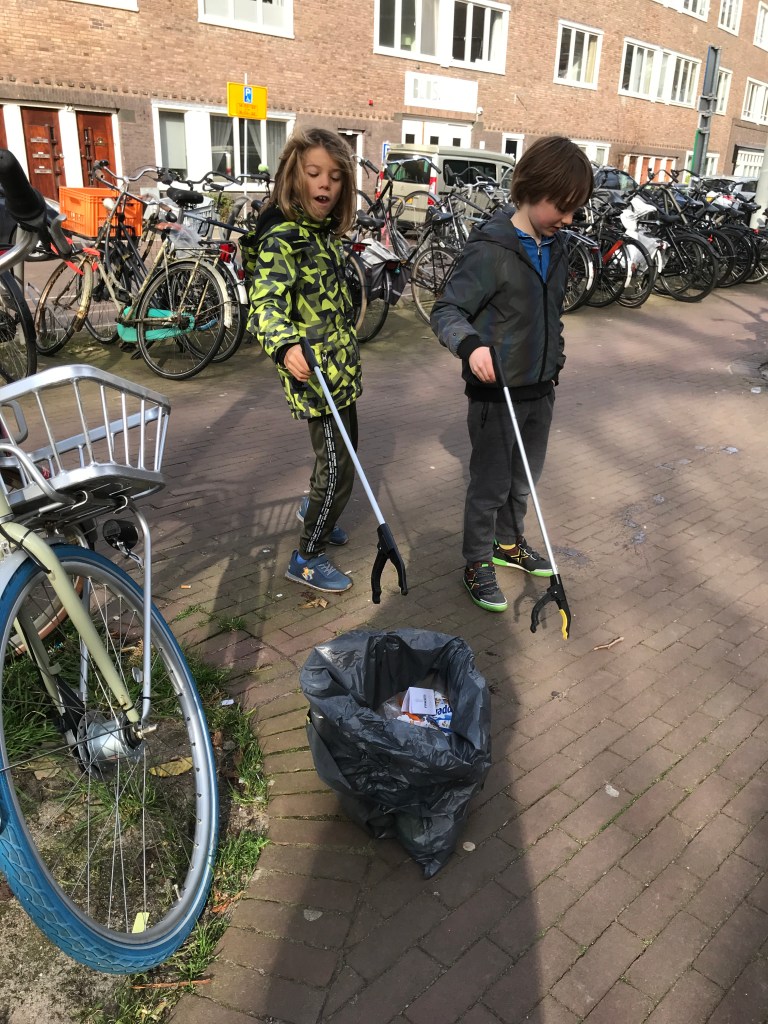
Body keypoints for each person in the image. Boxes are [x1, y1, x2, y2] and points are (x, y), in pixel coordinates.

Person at [430, 135, 593, 613]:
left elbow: (551, 313)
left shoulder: (558, 247)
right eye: (562, 207)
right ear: (531, 189)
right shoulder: (491, 249)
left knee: (523, 481)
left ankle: (508, 543)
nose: (568, 219)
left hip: (541, 388)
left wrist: (554, 358)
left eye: (575, 209)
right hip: (496, 394)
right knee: (490, 486)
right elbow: (447, 310)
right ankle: (476, 561)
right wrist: (469, 345)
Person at [247, 127, 360, 593]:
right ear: (295, 177)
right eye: (314, 173)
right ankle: (307, 556)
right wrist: (285, 346)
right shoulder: (284, 239)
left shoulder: (325, 235)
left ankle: (319, 513)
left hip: (340, 372)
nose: (325, 183)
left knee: (340, 458)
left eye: (335, 176)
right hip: (313, 375)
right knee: (337, 470)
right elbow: (264, 304)